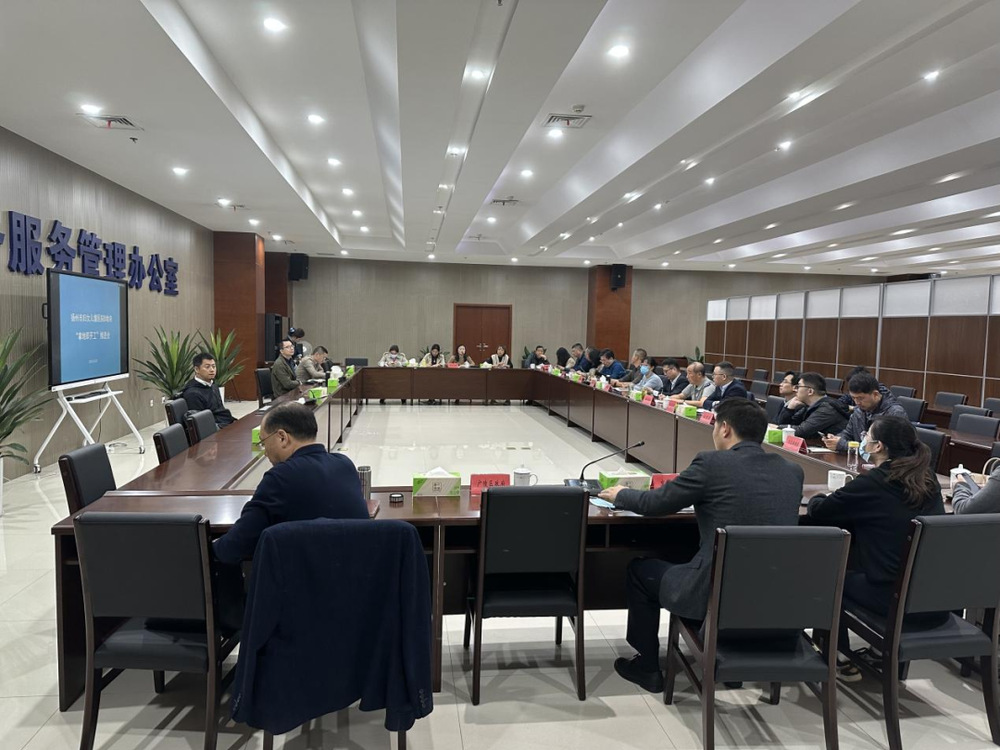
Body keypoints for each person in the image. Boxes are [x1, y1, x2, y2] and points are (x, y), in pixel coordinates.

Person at [599, 399, 803, 692]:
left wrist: (620, 494)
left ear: (725, 428)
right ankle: (728, 660)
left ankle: (647, 667)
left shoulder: (711, 463)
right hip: (772, 597)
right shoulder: (792, 471)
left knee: (640, 571)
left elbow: (656, 504)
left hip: (714, 591)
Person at [805, 415, 946, 678]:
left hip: (894, 600)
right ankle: (878, 654)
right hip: (936, 599)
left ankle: (836, 658)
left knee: (828, 577)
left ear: (878, 446)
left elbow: (821, 511)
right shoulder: (928, 478)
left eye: (867, 437)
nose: (864, 441)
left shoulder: (875, 482)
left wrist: (818, 497)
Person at [213, 403, 369, 565]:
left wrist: (212, 548)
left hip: (304, 576)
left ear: (282, 437)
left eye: (263, 442)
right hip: (356, 572)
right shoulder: (345, 464)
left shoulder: (280, 477)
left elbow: (236, 545)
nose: (265, 452)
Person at [822, 372, 907, 452]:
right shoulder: (859, 410)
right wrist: (836, 439)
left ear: (875, 394)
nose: (857, 402)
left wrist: (844, 445)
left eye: (860, 398)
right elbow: (848, 433)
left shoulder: (895, 413)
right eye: (853, 398)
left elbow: (885, 450)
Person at [777, 371, 850, 438]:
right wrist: (789, 409)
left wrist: (778, 427)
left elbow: (801, 431)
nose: (796, 390)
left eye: (798, 387)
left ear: (810, 391)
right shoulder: (808, 405)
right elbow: (790, 424)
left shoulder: (827, 409)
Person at [180, 352, 235, 428]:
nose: (212, 370)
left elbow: (221, 411)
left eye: (213, 366)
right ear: (196, 369)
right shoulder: (192, 394)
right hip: (214, 429)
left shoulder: (213, 386)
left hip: (224, 423)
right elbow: (200, 423)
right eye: (207, 367)